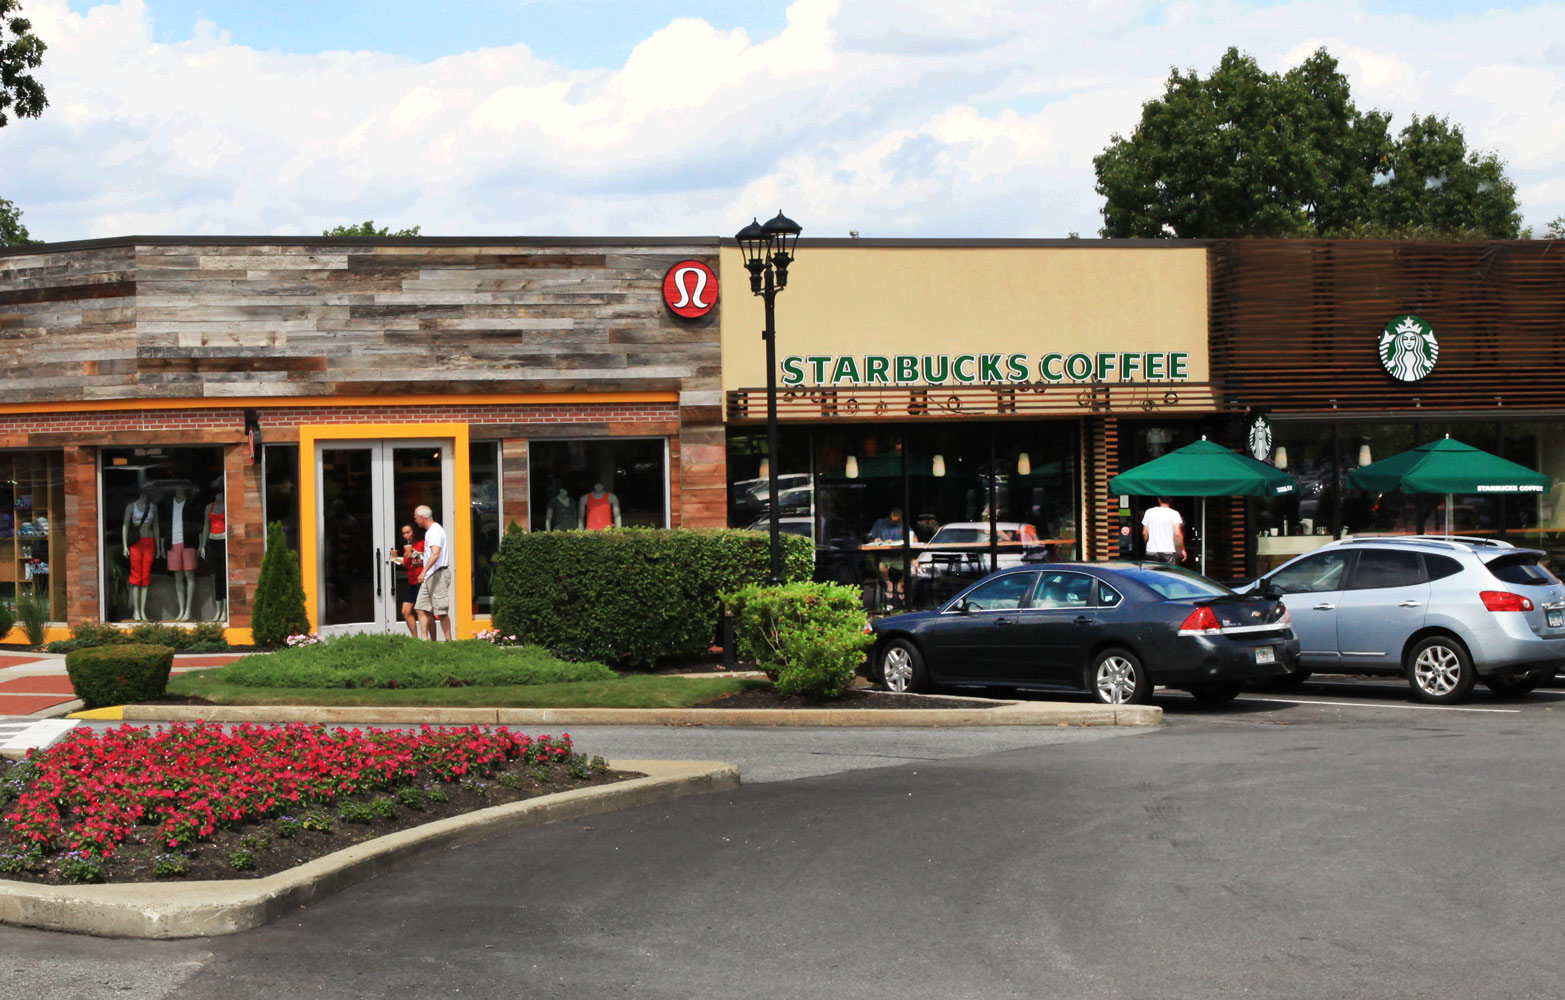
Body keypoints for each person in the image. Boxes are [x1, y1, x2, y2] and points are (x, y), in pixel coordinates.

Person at [413, 504, 453, 641]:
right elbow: (433, 554)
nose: (415, 520)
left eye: (416, 518)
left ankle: (449, 642)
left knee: (441, 611)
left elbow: (436, 554)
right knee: (421, 608)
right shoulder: (431, 531)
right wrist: (422, 560)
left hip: (438, 574)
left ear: (423, 518)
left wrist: (423, 571)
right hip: (431, 574)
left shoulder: (435, 531)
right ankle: (425, 641)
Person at [165, 485, 203, 620]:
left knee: (189, 575)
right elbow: (164, 523)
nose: (179, 489)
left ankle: (188, 610)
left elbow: (199, 525)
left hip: (189, 541)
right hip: (173, 542)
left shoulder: (191, 504)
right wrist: (162, 543)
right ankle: (181, 610)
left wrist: (201, 544)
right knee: (178, 577)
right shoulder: (169, 504)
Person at [122, 492, 161, 621]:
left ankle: (142, 610)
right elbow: (125, 525)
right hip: (136, 543)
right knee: (135, 576)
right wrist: (125, 545)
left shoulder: (153, 507)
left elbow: (156, 526)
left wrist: (158, 547)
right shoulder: (131, 506)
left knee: (145, 576)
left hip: (149, 542)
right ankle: (136, 611)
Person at [866, 507, 917, 604]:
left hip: (900, 556)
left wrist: (905, 541)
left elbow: (915, 539)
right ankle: (888, 583)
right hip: (885, 557)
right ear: (888, 517)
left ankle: (900, 584)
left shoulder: (903, 524)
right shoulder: (879, 523)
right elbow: (870, 538)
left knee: (912, 566)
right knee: (881, 565)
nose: (894, 522)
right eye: (892, 520)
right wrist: (875, 540)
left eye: (896, 521)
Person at [387, 522, 424, 637]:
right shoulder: (407, 547)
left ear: (414, 532)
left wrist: (416, 555)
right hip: (411, 582)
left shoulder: (422, 543)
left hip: (421, 581)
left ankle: (426, 639)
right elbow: (407, 564)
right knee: (405, 611)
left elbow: (427, 558)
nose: (406, 535)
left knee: (423, 612)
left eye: (408, 532)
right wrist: (395, 559)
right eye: (403, 533)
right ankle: (415, 638)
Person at [199, 490, 228, 622]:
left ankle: (225, 611)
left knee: (224, 576)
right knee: (216, 577)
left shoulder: (227, 506)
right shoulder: (208, 507)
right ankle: (218, 610)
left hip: (223, 541)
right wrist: (202, 545)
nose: (219, 495)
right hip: (212, 541)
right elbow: (206, 526)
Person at [1142, 497, 1186, 565]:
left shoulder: (1149, 512)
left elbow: (1144, 533)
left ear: (1159, 500)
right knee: (1167, 574)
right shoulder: (1174, 514)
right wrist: (1182, 550)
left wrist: (1147, 543)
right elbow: (1177, 534)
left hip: (1151, 550)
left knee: (1152, 574)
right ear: (1171, 500)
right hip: (1168, 550)